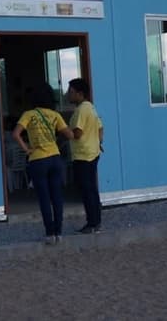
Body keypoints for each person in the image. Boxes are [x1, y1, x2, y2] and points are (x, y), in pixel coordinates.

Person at [12, 83, 73, 244]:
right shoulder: (55, 115)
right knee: (57, 197)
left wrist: (27, 149)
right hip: (55, 158)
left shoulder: (29, 114)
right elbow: (69, 135)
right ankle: (59, 232)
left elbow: (16, 134)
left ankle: (49, 234)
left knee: (44, 198)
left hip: (38, 160)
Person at [66, 78, 104, 234]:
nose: (68, 94)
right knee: (92, 189)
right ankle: (96, 222)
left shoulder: (81, 110)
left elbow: (77, 133)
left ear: (80, 94)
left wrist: (63, 131)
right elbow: (101, 128)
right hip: (92, 153)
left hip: (83, 156)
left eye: (71, 91)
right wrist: (98, 142)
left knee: (87, 190)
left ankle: (92, 223)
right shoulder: (91, 107)